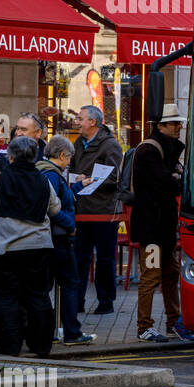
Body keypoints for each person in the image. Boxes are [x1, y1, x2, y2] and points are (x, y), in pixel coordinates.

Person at [0, 136, 59, 357]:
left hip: (7, 246)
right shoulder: (43, 179)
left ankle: (10, 346)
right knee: (38, 295)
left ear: (10, 156)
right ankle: (41, 345)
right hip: (39, 246)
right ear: (35, 156)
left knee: (6, 296)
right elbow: (55, 209)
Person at [132, 106, 193, 343]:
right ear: (160, 125)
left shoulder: (164, 150)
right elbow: (168, 184)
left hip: (163, 229)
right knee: (151, 275)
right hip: (152, 230)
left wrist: (175, 179)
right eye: (174, 123)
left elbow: (174, 181)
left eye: (179, 122)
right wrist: (175, 179)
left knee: (171, 274)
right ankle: (144, 326)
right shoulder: (149, 150)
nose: (179, 126)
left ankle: (173, 322)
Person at [38, 135, 90, 345]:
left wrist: (77, 188)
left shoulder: (44, 171)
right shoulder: (51, 175)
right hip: (57, 237)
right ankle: (71, 332)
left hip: (50, 237)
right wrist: (70, 225)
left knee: (46, 286)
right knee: (69, 283)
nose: (70, 162)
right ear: (61, 155)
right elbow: (53, 208)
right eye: (69, 158)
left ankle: (49, 331)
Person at [71, 105, 123, 315]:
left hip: (103, 212)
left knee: (104, 259)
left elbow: (115, 178)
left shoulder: (110, 145)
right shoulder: (78, 143)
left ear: (92, 122)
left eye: (81, 118)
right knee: (80, 258)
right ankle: (77, 301)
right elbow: (73, 169)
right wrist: (76, 179)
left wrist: (92, 180)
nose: (78, 122)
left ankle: (106, 301)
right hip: (82, 210)